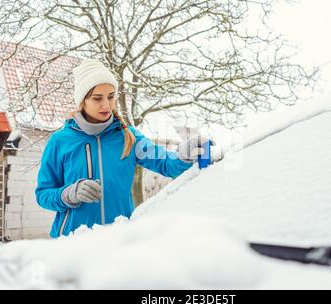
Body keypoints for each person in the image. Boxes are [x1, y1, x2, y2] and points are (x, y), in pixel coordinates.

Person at [35, 59, 209, 237]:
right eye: (97, 98)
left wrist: (184, 155)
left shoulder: (129, 137)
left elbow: (166, 163)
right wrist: (69, 193)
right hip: (73, 242)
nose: (106, 105)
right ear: (82, 101)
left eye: (111, 96)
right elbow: (43, 194)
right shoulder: (60, 141)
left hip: (118, 240)